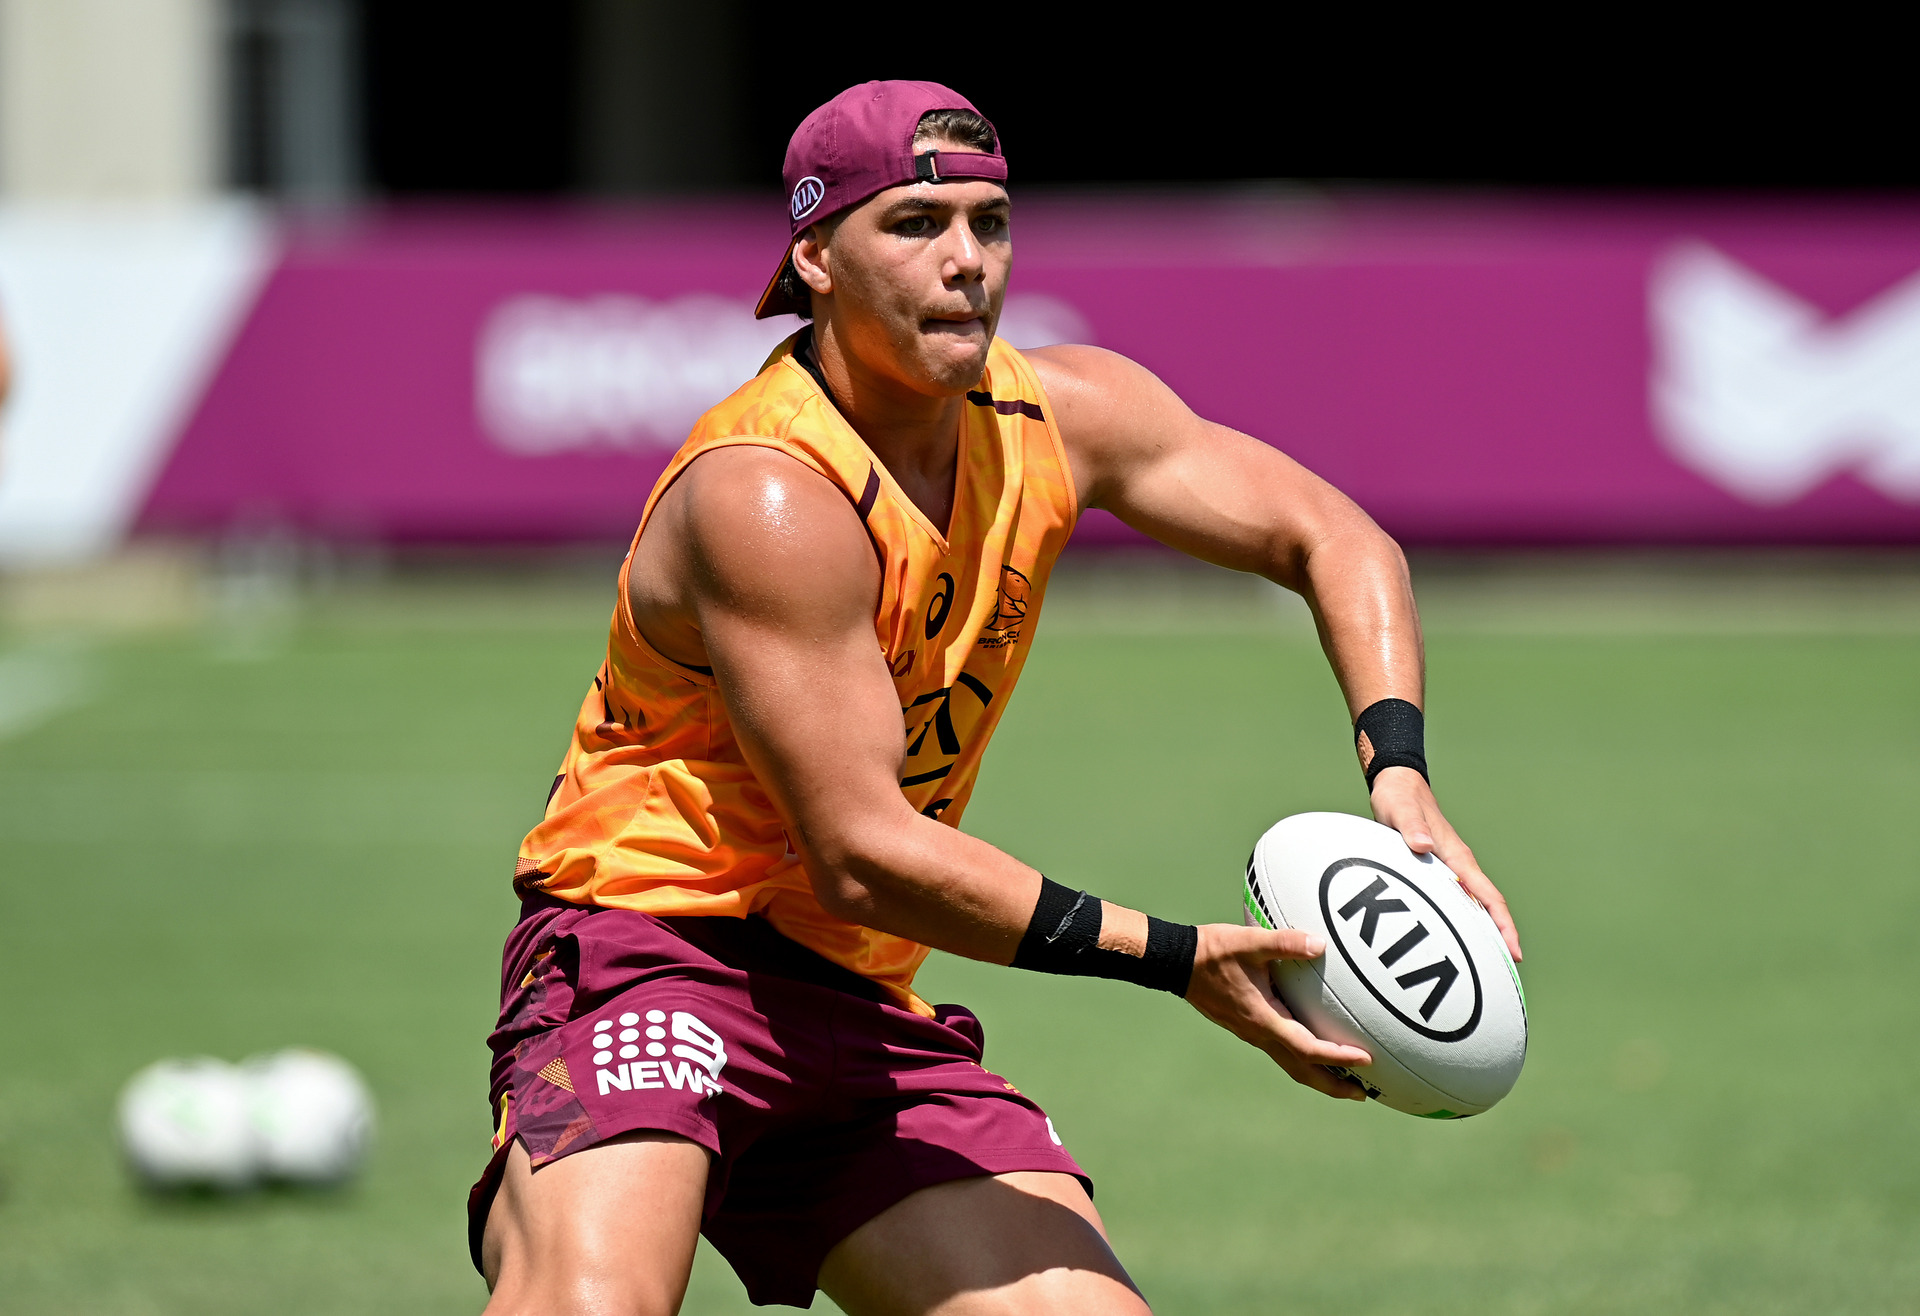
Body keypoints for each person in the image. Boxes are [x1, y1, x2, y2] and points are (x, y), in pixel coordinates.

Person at [472, 80, 1522, 1316]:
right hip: (651, 946)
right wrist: (1173, 956)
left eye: (990, 220)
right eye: (915, 224)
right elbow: (863, 848)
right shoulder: (769, 492)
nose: (967, 260)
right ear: (814, 254)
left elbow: (1336, 539)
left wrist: (1398, 772)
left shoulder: (1064, 415)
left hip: (857, 992)